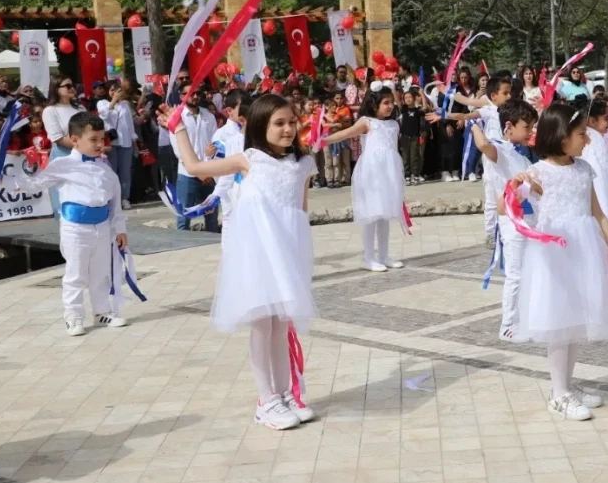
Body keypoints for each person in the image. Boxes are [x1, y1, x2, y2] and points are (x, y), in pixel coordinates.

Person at [168, 93, 318, 430]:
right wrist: (177, 129)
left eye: (292, 122)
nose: (288, 129)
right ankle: (266, 400)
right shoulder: (247, 160)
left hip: (287, 251)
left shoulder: (305, 163)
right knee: (262, 325)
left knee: (281, 324)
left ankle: (285, 393)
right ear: (261, 125)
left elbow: (300, 213)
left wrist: (302, 257)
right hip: (256, 254)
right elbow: (194, 168)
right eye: (279, 123)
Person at [511, 103, 608, 421]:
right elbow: (511, 200)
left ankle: (567, 386)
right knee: (559, 322)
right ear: (560, 136)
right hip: (555, 256)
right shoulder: (539, 173)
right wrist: (519, 185)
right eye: (580, 134)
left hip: (584, 251)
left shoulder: (583, 169)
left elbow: (597, 212)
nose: (586, 140)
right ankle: (558, 394)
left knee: (575, 321)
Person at [6, 112, 129, 336]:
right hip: (75, 228)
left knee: (100, 273)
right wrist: (4, 180)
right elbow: (36, 183)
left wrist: (119, 229)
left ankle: (102, 311)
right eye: (93, 139)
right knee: (76, 274)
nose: (100, 144)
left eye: (102, 139)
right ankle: (73, 315)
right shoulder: (62, 164)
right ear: (74, 139)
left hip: (101, 227)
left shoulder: (106, 169)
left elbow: (115, 203)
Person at [470, 99, 540, 343]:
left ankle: (527, 318)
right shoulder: (499, 149)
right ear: (509, 126)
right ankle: (508, 324)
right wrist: (474, 124)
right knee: (515, 274)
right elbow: (482, 144)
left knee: (531, 269)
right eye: (526, 127)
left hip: (530, 217)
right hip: (512, 220)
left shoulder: (522, 155)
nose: (530, 132)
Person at [324, 86, 406, 272]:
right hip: (371, 171)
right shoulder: (367, 122)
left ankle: (384, 255)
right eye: (385, 103)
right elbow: (346, 133)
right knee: (371, 213)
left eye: (391, 102)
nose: (390, 106)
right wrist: (324, 141)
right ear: (374, 104)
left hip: (389, 171)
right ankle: (368, 257)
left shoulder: (393, 124)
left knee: (385, 213)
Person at [448, 74, 515, 245]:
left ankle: (509, 229)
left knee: (509, 196)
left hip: (508, 161)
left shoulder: (513, 112)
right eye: (505, 93)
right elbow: (466, 115)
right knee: (492, 199)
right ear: (494, 96)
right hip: (492, 163)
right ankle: (491, 233)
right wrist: (445, 115)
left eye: (510, 93)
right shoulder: (488, 111)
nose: (509, 97)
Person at [170, 82, 219, 232]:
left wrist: (207, 168)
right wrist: (199, 172)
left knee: (211, 215)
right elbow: (179, 151)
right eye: (191, 94)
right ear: (182, 96)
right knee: (184, 216)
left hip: (209, 173)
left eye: (198, 93)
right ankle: (182, 250)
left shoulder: (208, 116)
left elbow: (215, 143)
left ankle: (211, 247)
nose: (196, 96)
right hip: (187, 173)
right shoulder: (177, 117)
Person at [43, 77, 85, 214]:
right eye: (67, 86)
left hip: (82, 156)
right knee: (64, 202)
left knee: (83, 197)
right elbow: (58, 138)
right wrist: (83, 147)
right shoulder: (50, 110)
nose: (72, 88)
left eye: (73, 85)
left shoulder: (79, 108)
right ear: (57, 89)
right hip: (63, 154)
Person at [208, 89, 251, 219]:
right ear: (229, 111)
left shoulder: (252, 131)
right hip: (231, 190)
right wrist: (222, 191)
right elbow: (219, 167)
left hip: (251, 188)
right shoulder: (221, 135)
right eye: (242, 108)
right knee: (230, 220)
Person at [578, 98, 608, 232]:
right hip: (600, 190)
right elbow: (600, 174)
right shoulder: (594, 139)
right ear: (592, 121)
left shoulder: (592, 137)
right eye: (606, 118)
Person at [105, 81, 138, 209]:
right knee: (112, 172)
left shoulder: (125, 105)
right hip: (111, 143)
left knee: (125, 172)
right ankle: (113, 199)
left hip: (125, 142)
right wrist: (113, 101)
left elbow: (130, 125)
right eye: (112, 90)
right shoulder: (103, 103)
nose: (115, 92)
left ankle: (125, 198)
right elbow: (104, 115)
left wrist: (134, 142)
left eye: (117, 90)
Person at [398, 90, 426, 187]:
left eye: (410, 97)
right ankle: (407, 176)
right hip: (404, 136)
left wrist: (422, 94)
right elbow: (397, 102)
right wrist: (393, 89)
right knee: (405, 157)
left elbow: (425, 108)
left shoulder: (418, 111)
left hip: (415, 136)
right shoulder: (404, 110)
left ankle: (416, 175)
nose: (408, 99)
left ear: (414, 98)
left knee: (414, 156)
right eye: (406, 98)